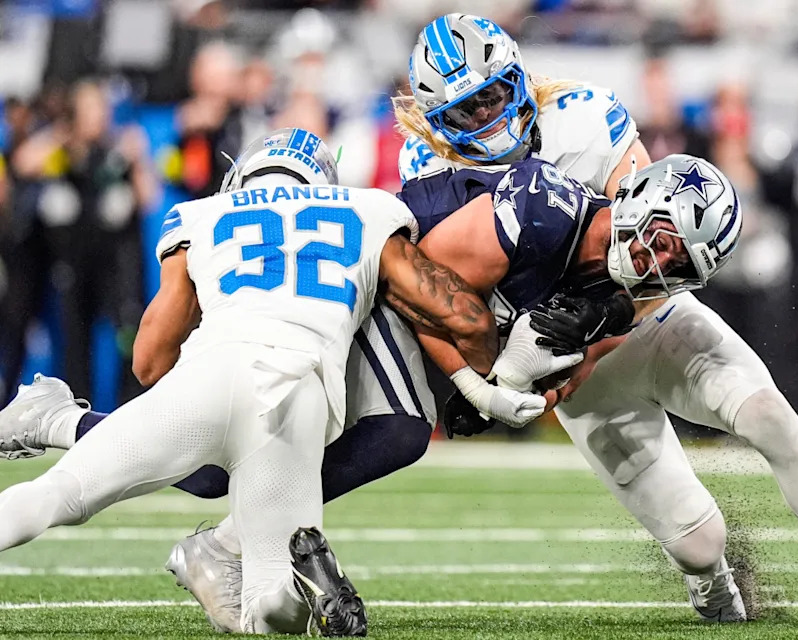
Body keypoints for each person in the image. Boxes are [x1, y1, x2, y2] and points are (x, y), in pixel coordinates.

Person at [392, 14, 798, 632]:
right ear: (433, 121)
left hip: (651, 316)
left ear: (517, 76)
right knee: (698, 543)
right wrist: (486, 374)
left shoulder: (586, 118)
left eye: (490, 95)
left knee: (771, 418)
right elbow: (440, 289)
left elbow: (660, 250)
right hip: (566, 359)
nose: (484, 119)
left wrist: (614, 311)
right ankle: (715, 585)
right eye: (463, 112)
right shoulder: (426, 167)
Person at [0, 127, 511, 636]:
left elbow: (149, 361)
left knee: (58, 494)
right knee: (268, 607)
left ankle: (58, 419)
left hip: (211, 372)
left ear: (241, 174)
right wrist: (485, 383)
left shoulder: (203, 214)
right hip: (296, 395)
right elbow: (468, 319)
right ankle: (301, 588)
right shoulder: (368, 208)